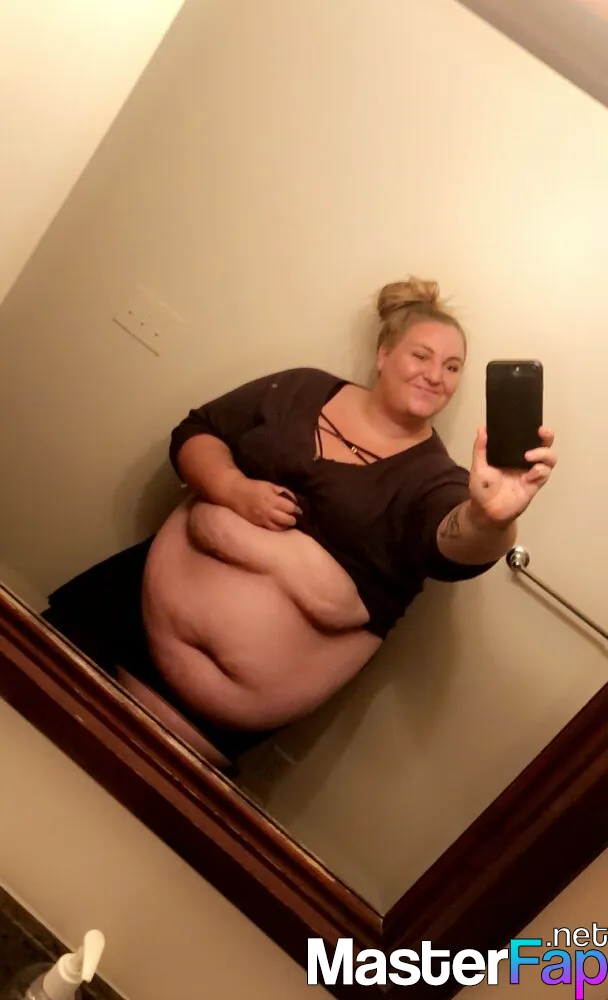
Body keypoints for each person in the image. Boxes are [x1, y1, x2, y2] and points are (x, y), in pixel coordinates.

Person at [43, 277, 557, 772]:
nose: (435, 375)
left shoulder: (433, 478)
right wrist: (232, 489)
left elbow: (451, 546)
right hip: (124, 609)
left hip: (212, 716)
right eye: (421, 355)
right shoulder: (302, 389)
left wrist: (489, 520)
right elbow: (199, 431)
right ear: (383, 354)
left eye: (452, 367)